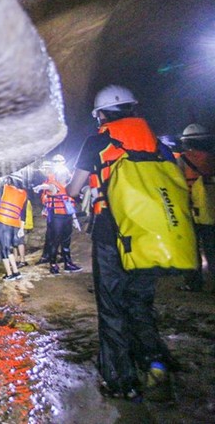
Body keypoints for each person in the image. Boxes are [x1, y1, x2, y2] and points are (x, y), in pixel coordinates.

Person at [66, 85, 174, 401]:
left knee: (112, 306)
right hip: (151, 236)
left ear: (100, 115)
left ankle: (121, 380)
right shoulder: (157, 144)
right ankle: (154, 361)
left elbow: (74, 190)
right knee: (140, 303)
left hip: (111, 235)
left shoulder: (97, 142)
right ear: (133, 109)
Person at [176, 123, 215, 292]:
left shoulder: (183, 159)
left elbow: (177, 184)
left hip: (191, 209)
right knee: (212, 248)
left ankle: (193, 282)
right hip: (211, 209)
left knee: (192, 248)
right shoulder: (212, 158)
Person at [33, 163, 83, 275]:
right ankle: (53, 264)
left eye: (64, 174)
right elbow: (49, 187)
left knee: (66, 241)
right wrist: (41, 187)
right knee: (54, 241)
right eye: (60, 174)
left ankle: (68, 263)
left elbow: (70, 205)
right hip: (56, 217)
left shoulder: (70, 188)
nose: (62, 176)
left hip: (67, 216)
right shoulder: (54, 185)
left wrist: (75, 220)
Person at [0, 173, 28, 281]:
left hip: (1, 221)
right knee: (7, 247)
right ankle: (15, 272)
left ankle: (10, 274)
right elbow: (23, 213)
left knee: (4, 249)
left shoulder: (4, 188)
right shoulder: (24, 193)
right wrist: (21, 228)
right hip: (13, 223)